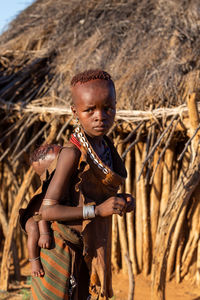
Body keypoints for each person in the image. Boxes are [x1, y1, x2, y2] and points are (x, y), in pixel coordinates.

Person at [30, 69, 135, 300]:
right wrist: (97, 211)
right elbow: (47, 211)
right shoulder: (71, 154)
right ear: (75, 112)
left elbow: (96, 195)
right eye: (90, 110)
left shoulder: (105, 148)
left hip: (85, 247)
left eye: (108, 108)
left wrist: (122, 201)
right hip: (61, 249)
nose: (100, 116)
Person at [19, 144, 62, 277]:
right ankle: (34, 261)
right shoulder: (49, 190)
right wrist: (44, 233)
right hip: (33, 217)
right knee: (34, 230)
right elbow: (40, 214)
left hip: (42, 215)